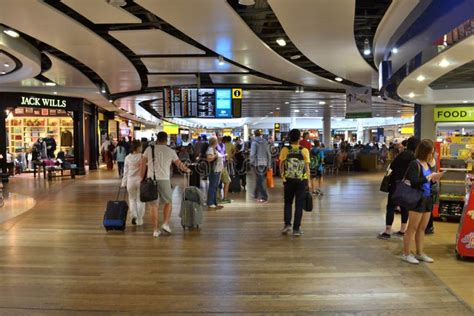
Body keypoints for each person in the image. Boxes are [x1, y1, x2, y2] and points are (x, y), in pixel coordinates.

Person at [401, 139, 444, 264]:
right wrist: (428, 177)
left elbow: (426, 182)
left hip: (427, 198)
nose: (432, 155)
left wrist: (433, 179)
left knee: (422, 228)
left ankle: (420, 253)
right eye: (430, 153)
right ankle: (406, 253)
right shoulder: (415, 164)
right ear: (424, 152)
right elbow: (414, 182)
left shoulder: (427, 164)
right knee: (412, 228)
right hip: (417, 199)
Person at [141, 132, 191, 238]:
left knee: (153, 206)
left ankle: (155, 230)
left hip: (151, 180)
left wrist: (141, 178)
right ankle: (165, 223)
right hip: (164, 179)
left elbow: (142, 164)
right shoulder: (170, 151)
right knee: (168, 202)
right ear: (166, 139)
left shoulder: (149, 149)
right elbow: (179, 164)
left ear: (157, 139)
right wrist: (187, 169)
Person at [378, 137, 419, 240]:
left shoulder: (402, 155)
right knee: (405, 207)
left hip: (396, 183)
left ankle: (387, 231)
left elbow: (392, 167)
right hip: (408, 185)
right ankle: (403, 230)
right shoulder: (416, 157)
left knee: (391, 206)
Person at [279, 129, 311, 236]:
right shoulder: (304, 150)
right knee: (299, 204)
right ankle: (296, 229)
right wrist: (309, 182)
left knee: (288, 203)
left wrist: (283, 177)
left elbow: (281, 165)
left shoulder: (285, 150)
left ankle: (287, 225)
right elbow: (307, 168)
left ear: (289, 138)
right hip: (301, 180)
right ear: (299, 138)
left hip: (288, 180)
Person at [121, 141, 145, 226]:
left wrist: (123, 183)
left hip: (130, 181)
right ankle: (139, 220)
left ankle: (133, 215)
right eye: (141, 146)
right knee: (140, 200)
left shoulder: (127, 158)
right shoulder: (142, 157)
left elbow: (125, 171)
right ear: (138, 147)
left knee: (132, 199)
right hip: (140, 180)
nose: (142, 148)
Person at [250, 130, 272, 203]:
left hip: (257, 163)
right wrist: (269, 164)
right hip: (265, 163)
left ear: (254, 135)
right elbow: (269, 154)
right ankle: (256, 194)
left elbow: (252, 154)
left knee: (260, 180)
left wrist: (251, 162)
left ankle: (264, 197)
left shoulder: (254, 142)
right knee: (259, 179)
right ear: (260, 135)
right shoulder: (265, 142)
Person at [206, 137, 225, 209]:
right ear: (214, 142)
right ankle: (210, 202)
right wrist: (216, 156)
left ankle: (214, 202)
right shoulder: (210, 149)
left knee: (215, 186)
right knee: (213, 186)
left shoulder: (213, 149)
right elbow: (209, 158)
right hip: (214, 170)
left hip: (217, 170)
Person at [217, 137, 231, 204]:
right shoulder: (216, 146)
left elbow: (225, 153)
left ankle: (224, 198)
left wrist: (226, 158)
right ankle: (217, 198)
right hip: (218, 166)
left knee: (227, 181)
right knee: (217, 182)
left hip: (224, 165)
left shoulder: (223, 145)